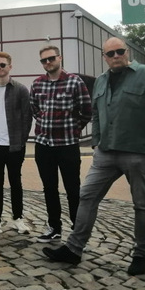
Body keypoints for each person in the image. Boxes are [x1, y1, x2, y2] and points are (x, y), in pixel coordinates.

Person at [44, 38, 145, 276]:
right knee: (87, 196)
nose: (115, 56)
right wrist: (96, 142)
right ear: (104, 57)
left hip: (137, 152)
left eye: (119, 51)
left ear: (127, 52)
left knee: (142, 205)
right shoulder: (101, 80)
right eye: (110, 53)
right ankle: (74, 249)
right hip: (106, 152)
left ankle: (141, 255)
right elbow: (96, 113)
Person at [30, 46, 92, 243]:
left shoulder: (75, 82)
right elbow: (35, 109)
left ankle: (77, 231)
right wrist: (44, 124)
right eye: (44, 60)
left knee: (73, 189)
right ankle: (54, 228)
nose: (48, 63)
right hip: (43, 145)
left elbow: (86, 110)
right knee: (49, 188)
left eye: (51, 58)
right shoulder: (37, 83)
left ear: (60, 57)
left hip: (67, 145)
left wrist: (74, 129)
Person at [0, 52, 33, 236]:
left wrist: (21, 140)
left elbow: (27, 117)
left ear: (10, 66)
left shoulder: (20, 90)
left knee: (15, 182)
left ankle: (18, 218)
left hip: (14, 146)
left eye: (2, 65)